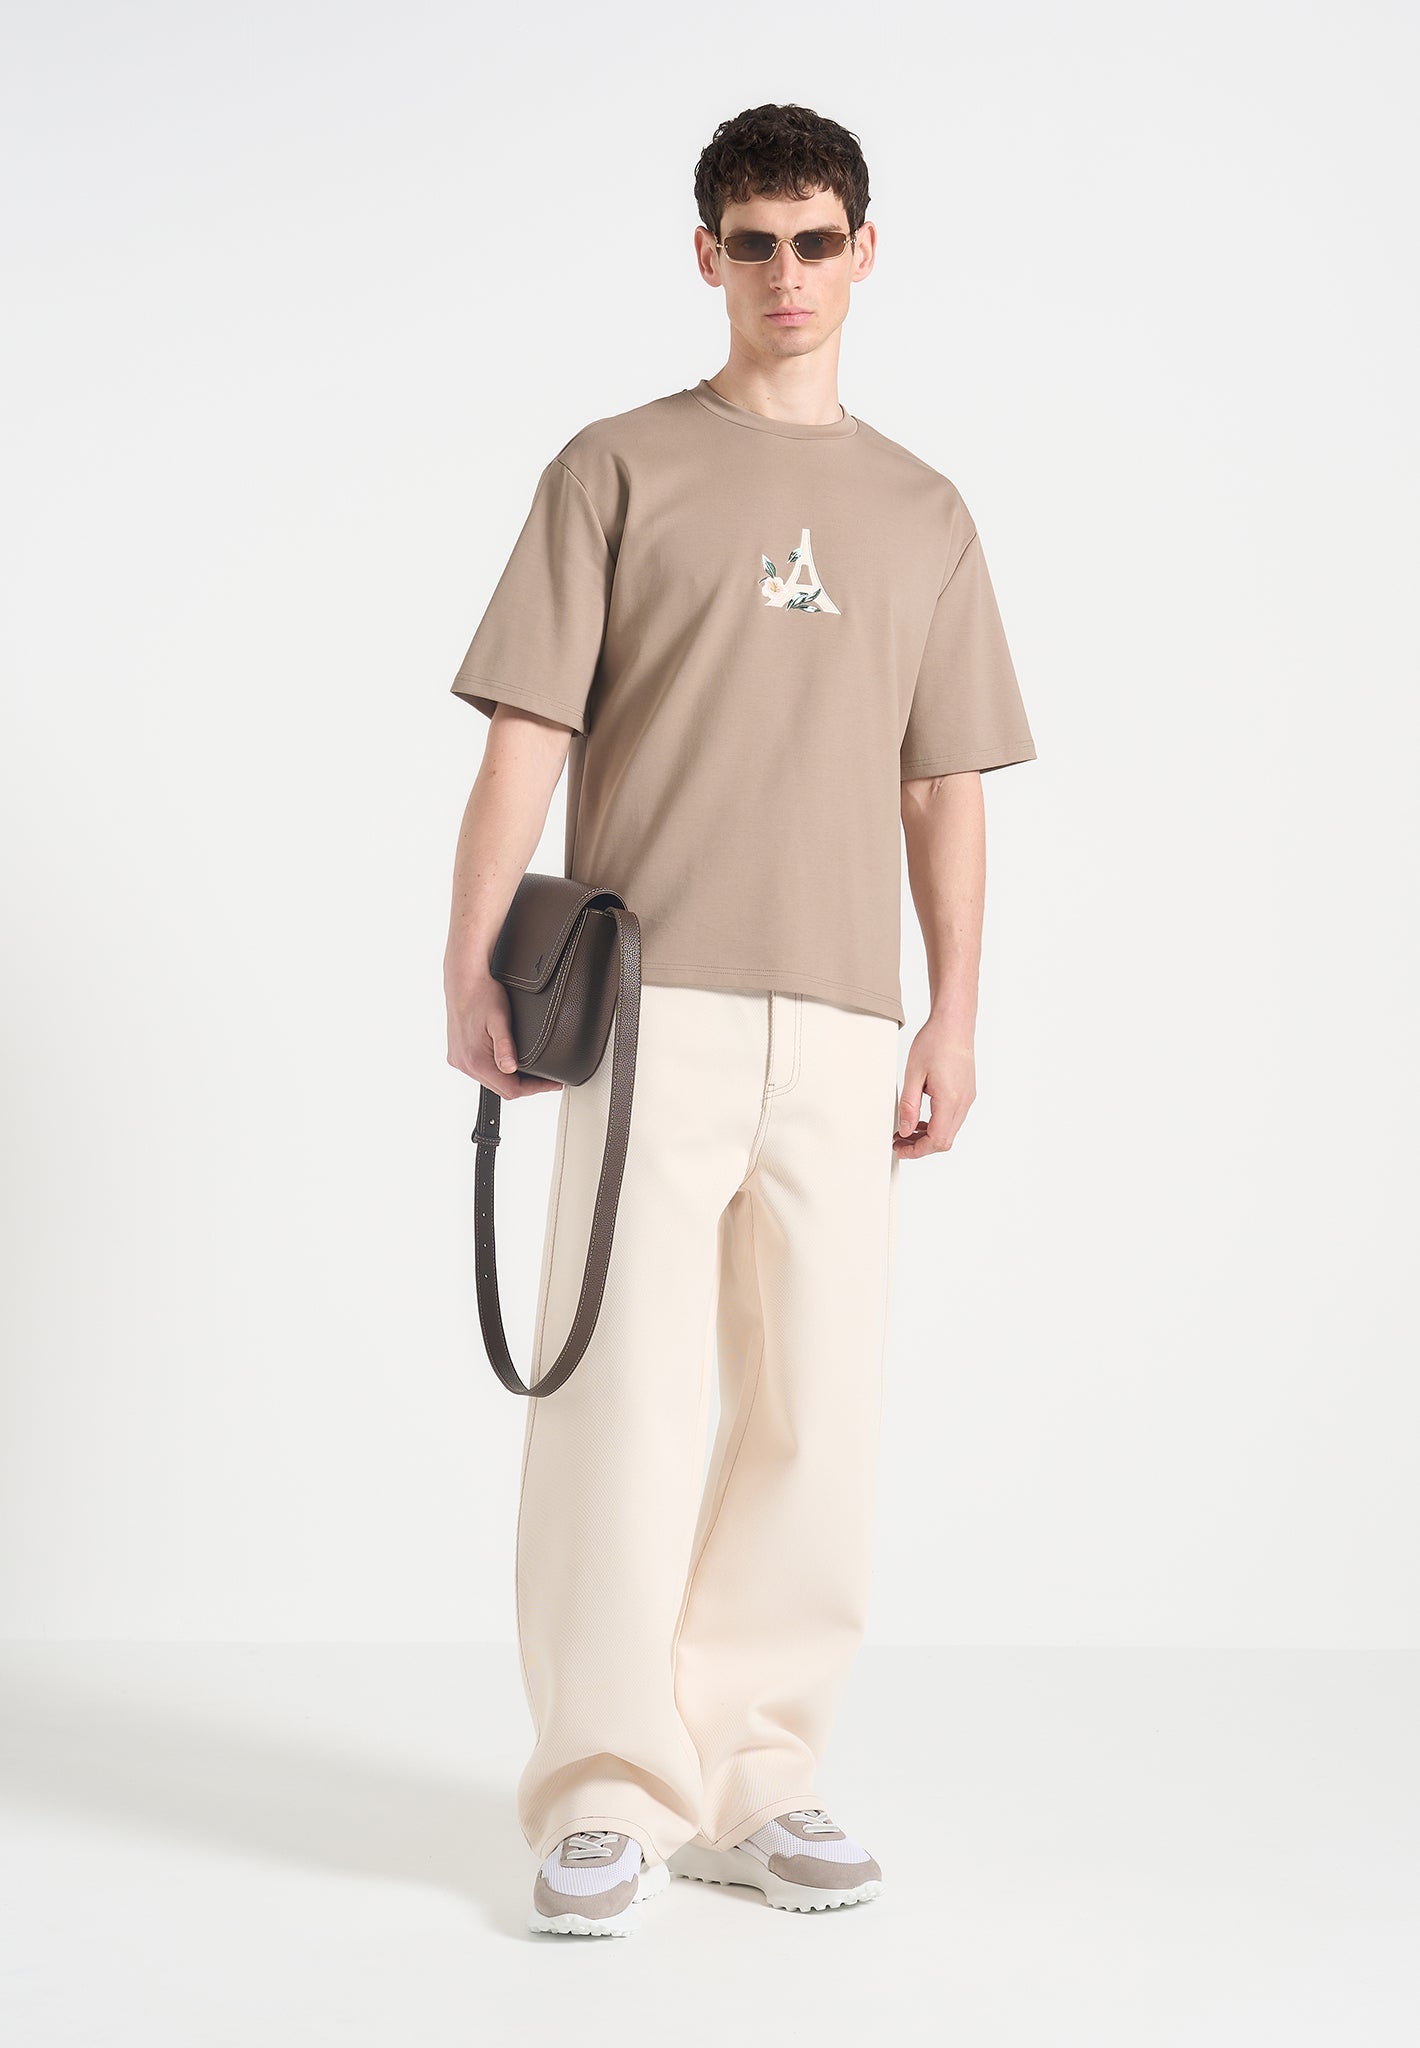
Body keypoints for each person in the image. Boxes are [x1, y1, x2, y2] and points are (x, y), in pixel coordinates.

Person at [442, 101, 1037, 1938]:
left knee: (815, 1415)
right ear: (707, 256)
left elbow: (945, 783)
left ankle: (758, 1780)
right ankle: (602, 1793)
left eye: (816, 240)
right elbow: (528, 733)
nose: (788, 273)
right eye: (755, 242)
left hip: (847, 1021)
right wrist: (469, 963)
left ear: (866, 253)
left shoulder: (925, 511)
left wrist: (954, 1016)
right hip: (647, 1005)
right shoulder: (615, 468)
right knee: (619, 1400)